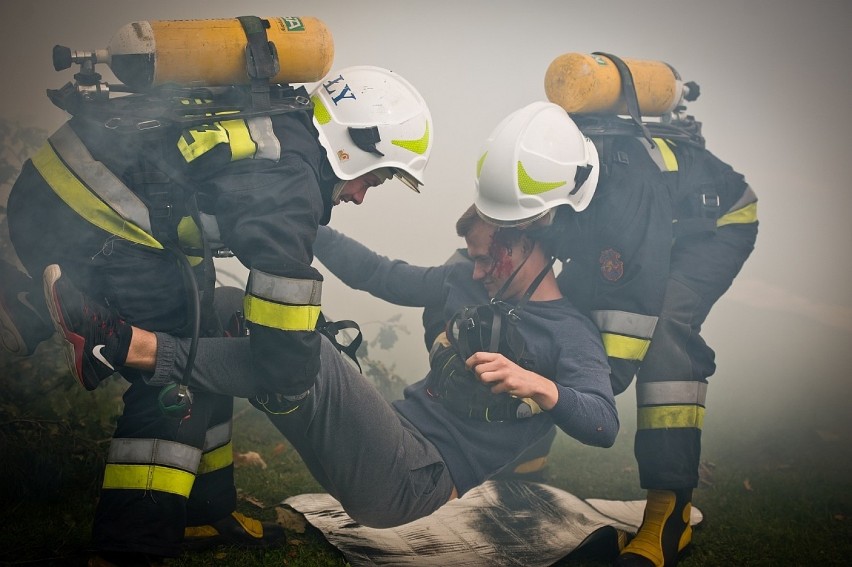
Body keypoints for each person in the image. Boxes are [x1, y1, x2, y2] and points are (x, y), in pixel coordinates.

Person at [1, 63, 433, 566]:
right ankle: (128, 547)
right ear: (351, 145)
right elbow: (283, 301)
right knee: (176, 375)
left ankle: (205, 510)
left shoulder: (283, 122)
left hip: (54, 200)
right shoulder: (289, 176)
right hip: (84, 222)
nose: (359, 196)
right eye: (372, 180)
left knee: (202, 337)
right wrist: (290, 380)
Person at [41, 204, 619, 530]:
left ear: (521, 249)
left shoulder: (569, 332)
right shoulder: (460, 281)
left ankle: (119, 348)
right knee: (228, 308)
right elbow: (377, 272)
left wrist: (538, 384)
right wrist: (292, 217)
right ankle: (205, 500)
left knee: (305, 350)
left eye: (486, 259)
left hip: (414, 480)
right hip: (380, 441)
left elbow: (602, 423)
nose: (475, 273)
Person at [473, 101, 758, 567]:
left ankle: (670, 514)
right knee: (555, 311)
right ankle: (526, 458)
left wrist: (581, 396)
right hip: (628, 229)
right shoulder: (543, 171)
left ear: (566, 194)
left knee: (666, 334)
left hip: (710, 229)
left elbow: (629, 325)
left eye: (526, 221)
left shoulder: (627, 200)